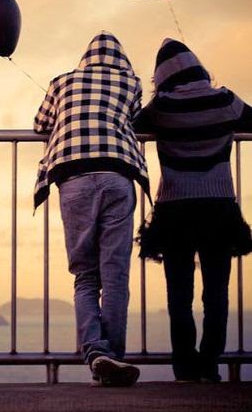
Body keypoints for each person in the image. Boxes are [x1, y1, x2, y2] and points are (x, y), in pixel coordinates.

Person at [33, 31, 150, 386]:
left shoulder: (61, 81)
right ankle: (113, 357)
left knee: (85, 274)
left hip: (74, 179)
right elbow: (135, 121)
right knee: (115, 276)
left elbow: (40, 124)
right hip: (117, 176)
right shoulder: (131, 83)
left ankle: (97, 354)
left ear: (86, 58)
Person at [134, 38, 252, 383]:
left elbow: (134, 124)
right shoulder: (225, 100)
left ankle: (185, 367)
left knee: (179, 294)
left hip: (175, 211)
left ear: (161, 77)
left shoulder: (161, 108)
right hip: (218, 209)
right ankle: (210, 364)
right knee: (216, 292)